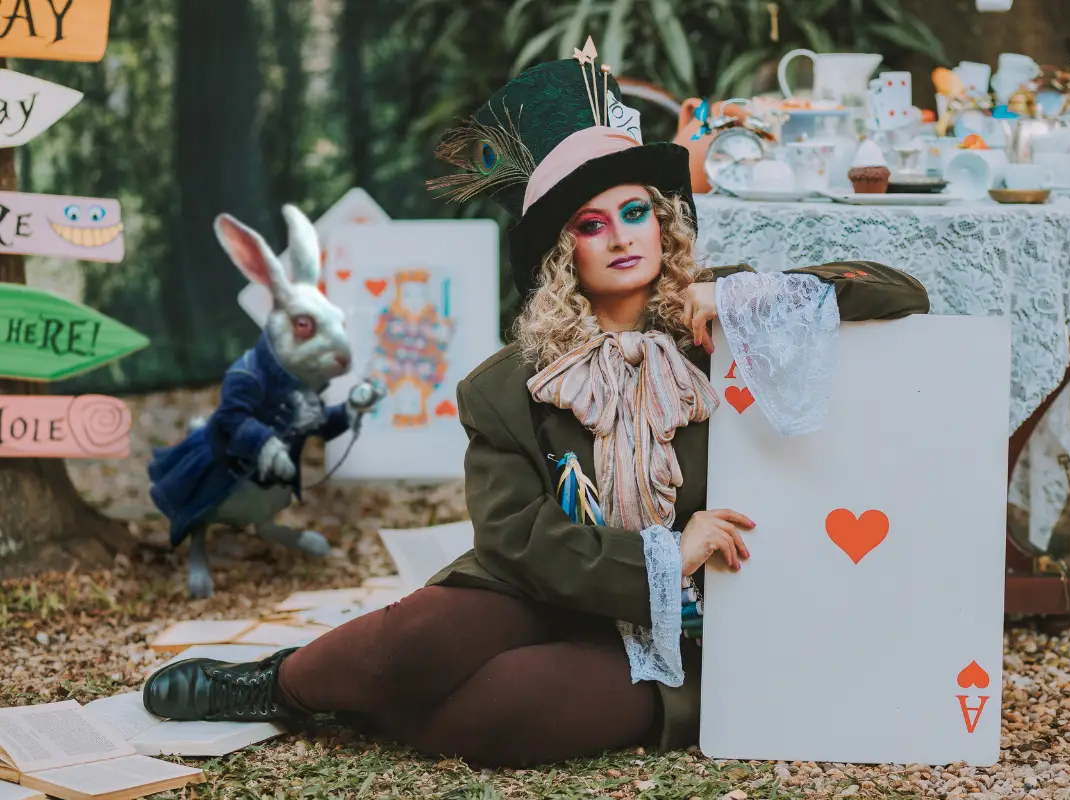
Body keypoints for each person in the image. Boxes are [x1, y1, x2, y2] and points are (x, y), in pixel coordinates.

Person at [142, 51, 930, 768]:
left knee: (486, 718)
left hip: (686, 629)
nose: (621, 237)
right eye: (592, 224)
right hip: (542, 596)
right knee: (419, 637)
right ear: (564, 253)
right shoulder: (509, 386)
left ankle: (374, 703)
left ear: (662, 218)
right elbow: (517, 542)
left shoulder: (727, 321)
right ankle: (277, 687)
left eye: (635, 211)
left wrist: (735, 293)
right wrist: (664, 552)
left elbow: (903, 294)